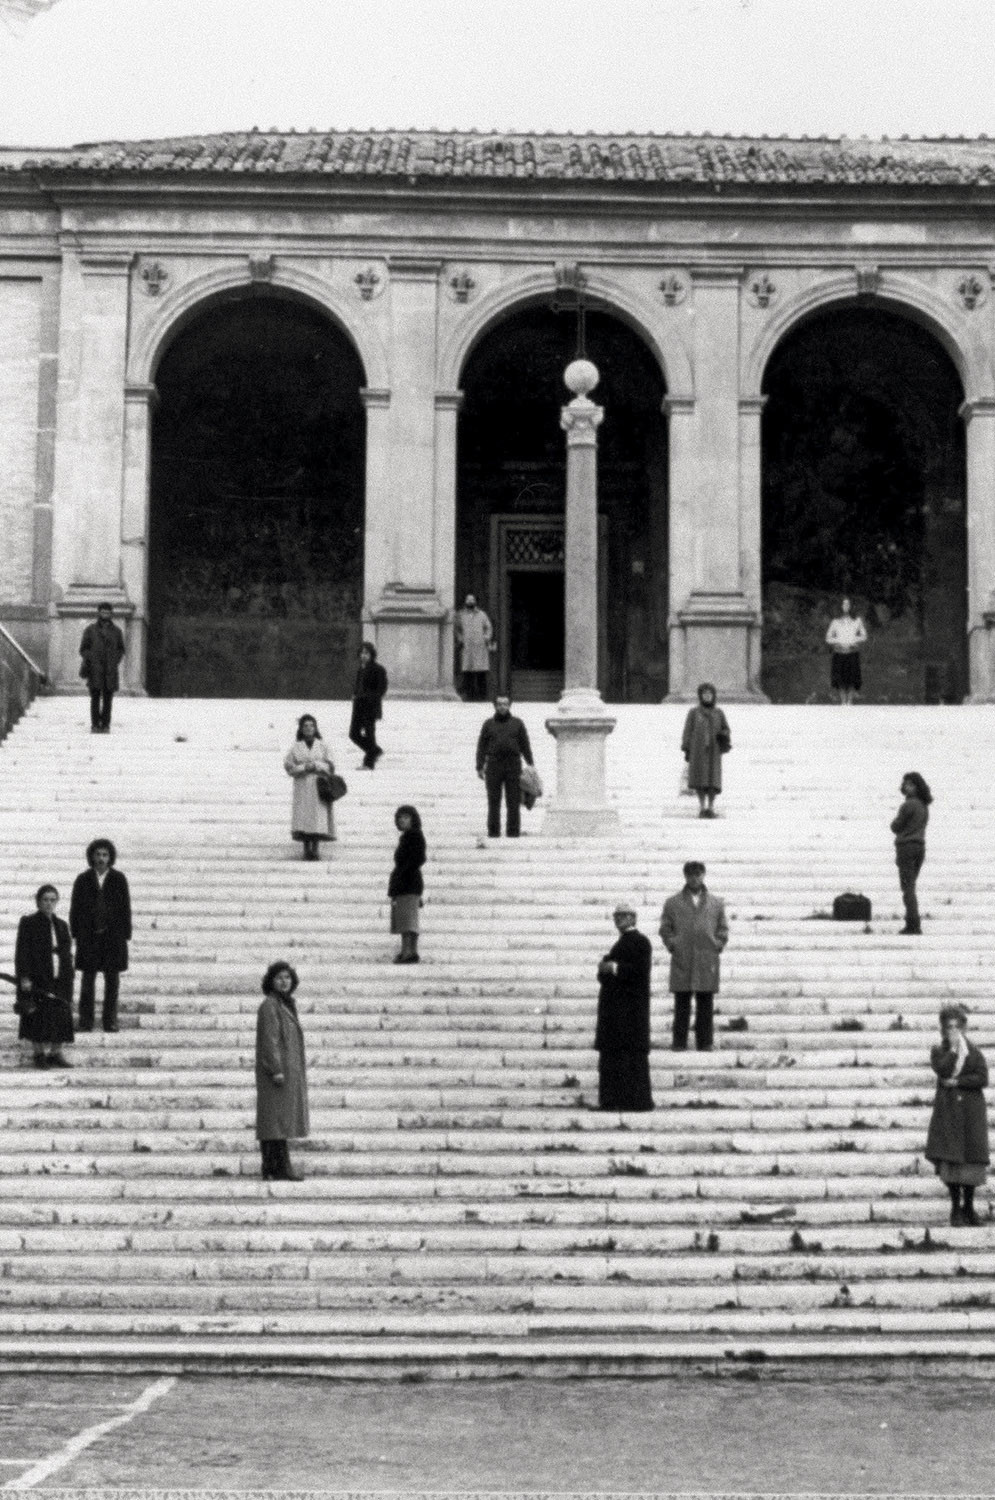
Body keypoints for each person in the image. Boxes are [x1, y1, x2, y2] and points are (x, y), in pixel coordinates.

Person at [925, 1005, 989, 1226]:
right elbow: (942, 1069)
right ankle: (955, 1209)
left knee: (971, 1161)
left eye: (957, 1027)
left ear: (963, 1028)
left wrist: (958, 1082)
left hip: (971, 1112)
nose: (953, 1031)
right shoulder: (939, 1051)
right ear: (943, 1029)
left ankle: (969, 1208)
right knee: (951, 1162)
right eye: (949, 1027)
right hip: (949, 1112)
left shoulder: (974, 1051)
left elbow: (982, 1077)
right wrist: (953, 1051)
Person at [659, 861, 728, 1052]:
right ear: (685, 876)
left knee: (705, 1001)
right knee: (682, 1001)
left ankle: (705, 1042)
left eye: (698, 874)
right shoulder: (673, 902)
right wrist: (673, 944)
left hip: (707, 956)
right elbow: (665, 928)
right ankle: (679, 1042)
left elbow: (723, 928)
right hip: (683, 956)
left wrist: (717, 944)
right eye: (690, 874)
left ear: (703, 875)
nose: (694, 878)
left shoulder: (716, 903)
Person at [595, 901, 654, 1111]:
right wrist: (606, 968)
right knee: (617, 1057)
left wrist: (613, 967)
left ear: (633, 918)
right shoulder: (622, 942)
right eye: (616, 916)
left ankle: (633, 1101)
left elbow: (639, 972)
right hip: (618, 1013)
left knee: (629, 1057)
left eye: (623, 915)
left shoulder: (641, 942)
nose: (618, 919)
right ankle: (616, 1101)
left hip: (630, 1013)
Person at [69, 839, 132, 1033]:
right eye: (98, 854)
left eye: (105, 855)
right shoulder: (83, 879)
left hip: (113, 938)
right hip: (89, 937)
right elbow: (75, 908)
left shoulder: (119, 879)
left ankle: (110, 1020)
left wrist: (125, 934)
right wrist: (77, 933)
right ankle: (85, 1021)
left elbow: (125, 908)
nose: (101, 858)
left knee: (112, 980)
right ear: (92, 856)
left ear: (110, 857)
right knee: (88, 980)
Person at [255, 961, 309, 1182]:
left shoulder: (284, 1004)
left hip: (286, 1072)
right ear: (271, 981)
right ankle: (279, 1167)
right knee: (276, 1122)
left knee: (277, 1121)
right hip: (277, 1074)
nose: (284, 981)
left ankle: (272, 1166)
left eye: (287, 977)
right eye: (279, 978)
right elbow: (270, 1040)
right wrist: (276, 1069)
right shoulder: (270, 1005)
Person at [14, 884, 74, 1068]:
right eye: (45, 900)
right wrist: (24, 976)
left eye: (52, 900)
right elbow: (22, 951)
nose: (49, 903)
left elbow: (66, 952)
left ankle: (55, 1053)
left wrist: (68, 975)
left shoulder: (61, 925)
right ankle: (39, 1054)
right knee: (37, 1015)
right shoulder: (29, 922)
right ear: (38, 902)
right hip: (38, 976)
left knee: (61, 1013)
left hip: (59, 976)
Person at [476, 695, 534, 839]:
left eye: (505, 704)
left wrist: (530, 763)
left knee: (513, 801)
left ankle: (513, 832)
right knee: (493, 800)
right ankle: (493, 832)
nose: (502, 707)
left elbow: (525, 744)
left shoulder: (518, 723)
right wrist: (479, 766)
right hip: (493, 765)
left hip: (513, 765)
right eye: (499, 704)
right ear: (495, 706)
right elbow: (481, 746)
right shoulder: (488, 724)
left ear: (509, 705)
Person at [284, 713, 335, 861]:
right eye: (305, 726)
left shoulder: (323, 746)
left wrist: (317, 765)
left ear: (316, 728)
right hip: (303, 786)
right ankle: (306, 849)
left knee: (318, 817)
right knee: (304, 816)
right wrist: (303, 768)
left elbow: (331, 766)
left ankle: (316, 849)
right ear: (301, 728)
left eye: (312, 725)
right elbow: (289, 767)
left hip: (319, 785)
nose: (309, 728)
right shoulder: (295, 747)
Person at [681, 682, 731, 818]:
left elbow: (726, 728)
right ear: (700, 696)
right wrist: (686, 748)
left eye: (710, 694)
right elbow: (687, 731)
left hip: (714, 751)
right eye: (704, 694)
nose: (707, 696)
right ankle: (702, 807)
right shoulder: (693, 713)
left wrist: (724, 735)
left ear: (713, 696)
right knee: (700, 780)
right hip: (698, 751)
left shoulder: (719, 713)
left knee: (713, 780)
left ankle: (711, 807)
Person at [891, 771, 931, 935]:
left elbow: (895, 826)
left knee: (907, 888)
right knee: (911, 886)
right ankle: (913, 922)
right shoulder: (923, 806)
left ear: (915, 786)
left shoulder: (908, 805)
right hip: (920, 847)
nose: (905, 787)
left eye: (908, 784)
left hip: (906, 847)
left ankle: (913, 924)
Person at [78, 601, 126, 734]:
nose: (105, 614)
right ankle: (95, 724)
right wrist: (91, 658)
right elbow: (83, 649)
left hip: (110, 670)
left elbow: (121, 649)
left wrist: (114, 660)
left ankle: (105, 724)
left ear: (111, 614)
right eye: (103, 612)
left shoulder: (117, 631)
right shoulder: (90, 630)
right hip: (95, 670)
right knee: (95, 698)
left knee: (108, 699)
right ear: (99, 613)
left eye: (107, 612)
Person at [389, 805, 426, 964]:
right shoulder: (408, 836)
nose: (402, 820)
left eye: (406, 817)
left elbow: (419, 858)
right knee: (407, 919)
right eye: (399, 818)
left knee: (407, 921)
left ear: (413, 819)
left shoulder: (414, 835)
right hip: (408, 882)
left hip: (408, 882)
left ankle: (408, 952)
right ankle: (410, 951)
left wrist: (403, 872)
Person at [349, 641, 388, 770]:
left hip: (370, 706)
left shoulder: (378, 669)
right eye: (362, 653)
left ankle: (369, 763)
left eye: (366, 653)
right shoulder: (361, 668)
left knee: (369, 734)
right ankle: (375, 750)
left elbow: (381, 689)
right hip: (358, 705)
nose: (363, 655)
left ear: (372, 654)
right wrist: (355, 695)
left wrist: (368, 697)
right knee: (353, 734)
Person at [825, 596, 867, 706]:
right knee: (840, 679)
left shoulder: (857, 621)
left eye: (848, 604)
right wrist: (838, 641)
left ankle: (850, 701)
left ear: (851, 606)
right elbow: (828, 638)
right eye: (844, 604)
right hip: (839, 652)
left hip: (852, 652)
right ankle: (843, 701)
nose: (846, 606)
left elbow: (864, 636)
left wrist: (854, 640)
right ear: (840, 606)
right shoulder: (835, 622)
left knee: (852, 678)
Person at [455, 593, 494, 701]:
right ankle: (469, 696)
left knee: (481, 673)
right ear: (465, 601)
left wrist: (486, 638)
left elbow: (488, 627)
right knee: (468, 673)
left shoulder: (482, 614)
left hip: (480, 647)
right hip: (467, 647)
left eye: (472, 599)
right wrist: (460, 638)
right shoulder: (460, 615)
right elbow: (457, 629)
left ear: (475, 601)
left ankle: (482, 696)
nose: (470, 601)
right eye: (468, 599)